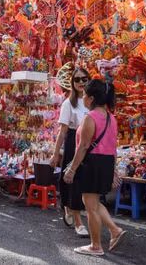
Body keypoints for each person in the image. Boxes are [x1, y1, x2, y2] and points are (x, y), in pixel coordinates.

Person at [64, 79, 125, 257]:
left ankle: (96, 245)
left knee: (90, 206)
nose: (82, 98)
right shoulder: (111, 118)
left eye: (84, 95)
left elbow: (83, 147)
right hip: (105, 163)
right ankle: (114, 230)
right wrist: (113, 170)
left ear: (91, 99)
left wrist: (72, 169)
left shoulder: (90, 118)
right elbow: (113, 148)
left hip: (92, 163)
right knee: (94, 203)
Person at [50, 67, 90, 237]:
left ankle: (68, 206)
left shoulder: (92, 102)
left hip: (89, 144)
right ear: (72, 83)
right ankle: (78, 222)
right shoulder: (68, 103)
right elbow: (63, 130)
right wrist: (55, 153)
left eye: (84, 79)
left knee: (84, 183)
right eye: (77, 80)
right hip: (74, 141)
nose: (81, 82)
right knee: (73, 180)